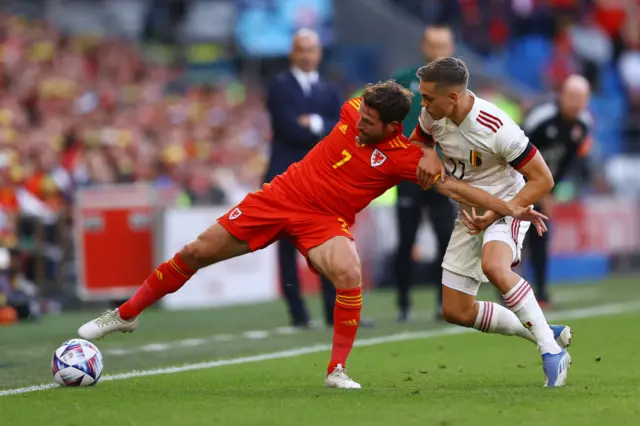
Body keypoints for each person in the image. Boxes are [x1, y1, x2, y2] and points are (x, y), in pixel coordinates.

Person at [78, 80, 546, 389]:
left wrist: (510, 207)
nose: (359, 122)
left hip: (325, 222)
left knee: (349, 270)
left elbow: (454, 186)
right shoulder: (351, 109)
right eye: (360, 116)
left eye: (369, 123)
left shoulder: (405, 157)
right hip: (280, 198)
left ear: (390, 128)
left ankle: (336, 370)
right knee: (197, 250)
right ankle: (124, 314)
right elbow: (382, 100)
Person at [412, 57, 572, 387]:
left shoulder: (496, 127)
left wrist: (503, 210)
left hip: (508, 203)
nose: (423, 104)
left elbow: (543, 180)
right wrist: (426, 151)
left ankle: (551, 353)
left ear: (453, 97)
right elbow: (421, 139)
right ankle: (542, 329)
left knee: (495, 267)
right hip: (468, 211)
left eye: (429, 98)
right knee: (456, 311)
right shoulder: (432, 113)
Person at [264, 29, 342, 328]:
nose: (307, 55)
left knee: (327, 242)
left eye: (312, 49)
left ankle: (331, 311)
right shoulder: (279, 86)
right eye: (302, 49)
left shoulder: (329, 88)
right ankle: (298, 314)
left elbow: (340, 129)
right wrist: (321, 128)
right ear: (292, 54)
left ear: (319, 53)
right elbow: (288, 127)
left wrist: (315, 122)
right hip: (285, 177)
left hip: (320, 178)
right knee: (286, 247)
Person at [391, 25, 457, 322]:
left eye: (443, 45)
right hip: (409, 173)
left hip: (443, 175)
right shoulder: (405, 81)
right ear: (424, 46)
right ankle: (403, 303)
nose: (437, 51)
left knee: (446, 237)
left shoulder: (461, 88)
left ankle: (444, 302)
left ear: (451, 48)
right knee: (407, 239)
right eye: (433, 45)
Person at [521, 75, 592, 307]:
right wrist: (540, 191)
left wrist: (551, 190)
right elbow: (517, 151)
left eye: (581, 98)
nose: (575, 103)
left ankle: (540, 291)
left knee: (541, 233)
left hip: (543, 185)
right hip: (515, 179)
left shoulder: (584, 124)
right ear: (561, 95)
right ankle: (507, 287)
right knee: (513, 234)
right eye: (571, 96)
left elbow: (567, 161)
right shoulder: (541, 118)